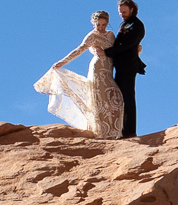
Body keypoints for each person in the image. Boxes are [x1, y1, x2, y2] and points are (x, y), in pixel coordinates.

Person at [35, 10, 125, 138]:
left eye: (104, 25)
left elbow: (116, 50)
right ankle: (101, 133)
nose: (100, 27)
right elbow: (79, 49)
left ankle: (113, 131)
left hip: (108, 70)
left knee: (116, 99)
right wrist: (62, 62)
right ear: (93, 23)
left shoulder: (111, 35)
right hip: (97, 69)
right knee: (99, 100)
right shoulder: (91, 36)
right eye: (98, 24)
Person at [110, 0, 146, 138]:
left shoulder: (137, 25)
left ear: (132, 9)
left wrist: (107, 52)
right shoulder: (124, 24)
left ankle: (130, 131)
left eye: (124, 11)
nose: (122, 14)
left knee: (128, 98)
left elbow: (127, 45)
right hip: (120, 66)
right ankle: (119, 130)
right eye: (120, 12)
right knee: (119, 97)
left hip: (128, 66)